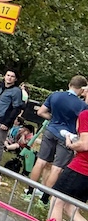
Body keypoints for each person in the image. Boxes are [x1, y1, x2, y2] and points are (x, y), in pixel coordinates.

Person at [27, 105, 88, 221]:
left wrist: (70, 144)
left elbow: (85, 144)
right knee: (71, 208)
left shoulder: (86, 115)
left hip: (80, 168)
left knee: (56, 201)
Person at [23, 75, 88, 204]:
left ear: (70, 84)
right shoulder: (82, 105)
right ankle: (44, 199)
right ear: (81, 89)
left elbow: (41, 112)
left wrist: (53, 119)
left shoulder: (55, 95)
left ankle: (29, 191)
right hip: (67, 136)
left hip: (51, 130)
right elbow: (79, 125)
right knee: (57, 168)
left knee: (40, 161)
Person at [0, 70, 24, 168]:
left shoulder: (16, 91)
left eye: (12, 76)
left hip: (3, 119)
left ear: (15, 79)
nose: (9, 78)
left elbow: (16, 108)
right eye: (8, 75)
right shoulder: (1, 86)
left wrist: (7, 122)